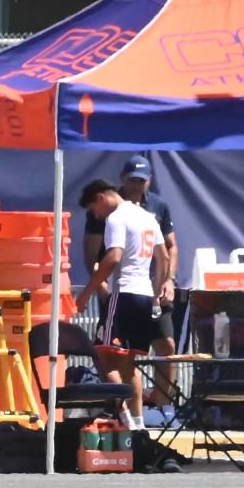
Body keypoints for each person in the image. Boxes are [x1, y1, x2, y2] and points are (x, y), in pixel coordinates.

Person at [75, 179, 169, 439]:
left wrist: (87, 291)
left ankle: (126, 416)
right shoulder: (148, 217)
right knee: (130, 364)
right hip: (145, 296)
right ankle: (138, 425)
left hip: (125, 293)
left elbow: (113, 257)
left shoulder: (117, 218)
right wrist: (157, 290)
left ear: (102, 197)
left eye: (95, 209)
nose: (97, 215)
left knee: (103, 355)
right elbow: (164, 257)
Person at [84, 155, 179, 402]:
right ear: (122, 179)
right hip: (138, 293)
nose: (137, 185)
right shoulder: (132, 214)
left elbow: (116, 257)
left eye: (142, 180)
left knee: (113, 356)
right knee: (124, 360)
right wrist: (102, 288)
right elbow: (93, 253)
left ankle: (144, 409)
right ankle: (132, 418)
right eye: (133, 180)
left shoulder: (137, 212)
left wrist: (167, 282)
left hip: (134, 292)